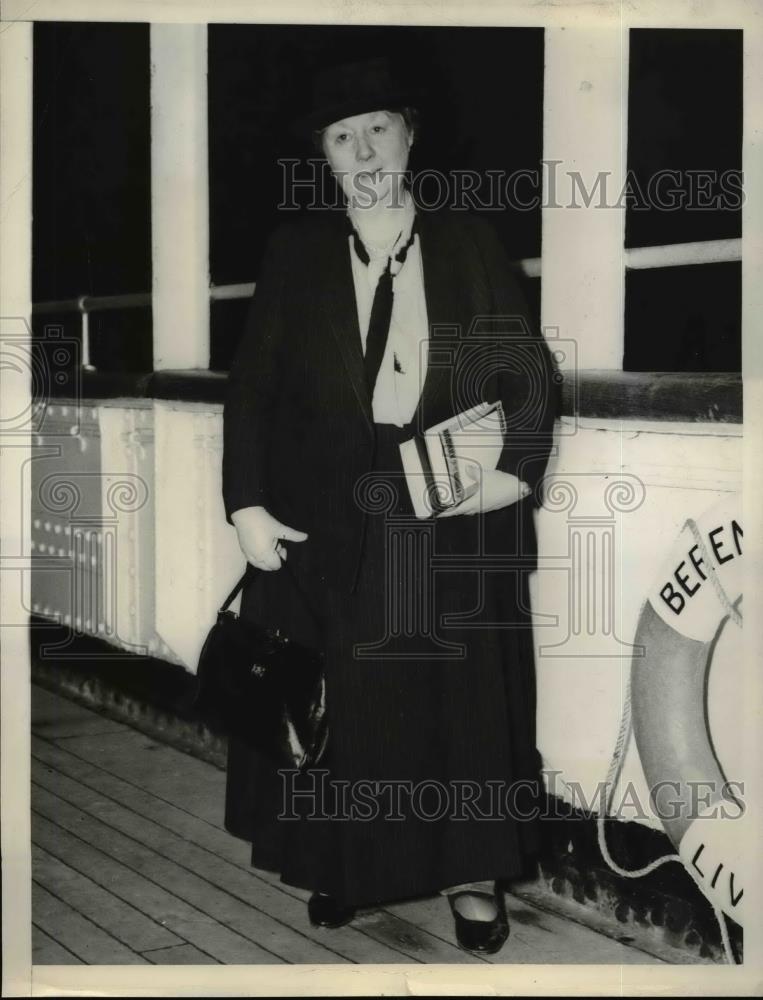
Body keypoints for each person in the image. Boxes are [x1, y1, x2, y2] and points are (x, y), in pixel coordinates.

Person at [222, 55, 556, 954]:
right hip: (321, 509)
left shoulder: (466, 242)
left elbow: (527, 372)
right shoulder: (295, 252)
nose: (363, 149)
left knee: (456, 700)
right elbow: (250, 387)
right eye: (341, 136)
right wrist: (245, 504)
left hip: (444, 501)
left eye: (377, 128)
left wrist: (512, 473)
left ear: (409, 136)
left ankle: (471, 874)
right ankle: (344, 862)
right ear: (324, 158)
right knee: (342, 697)